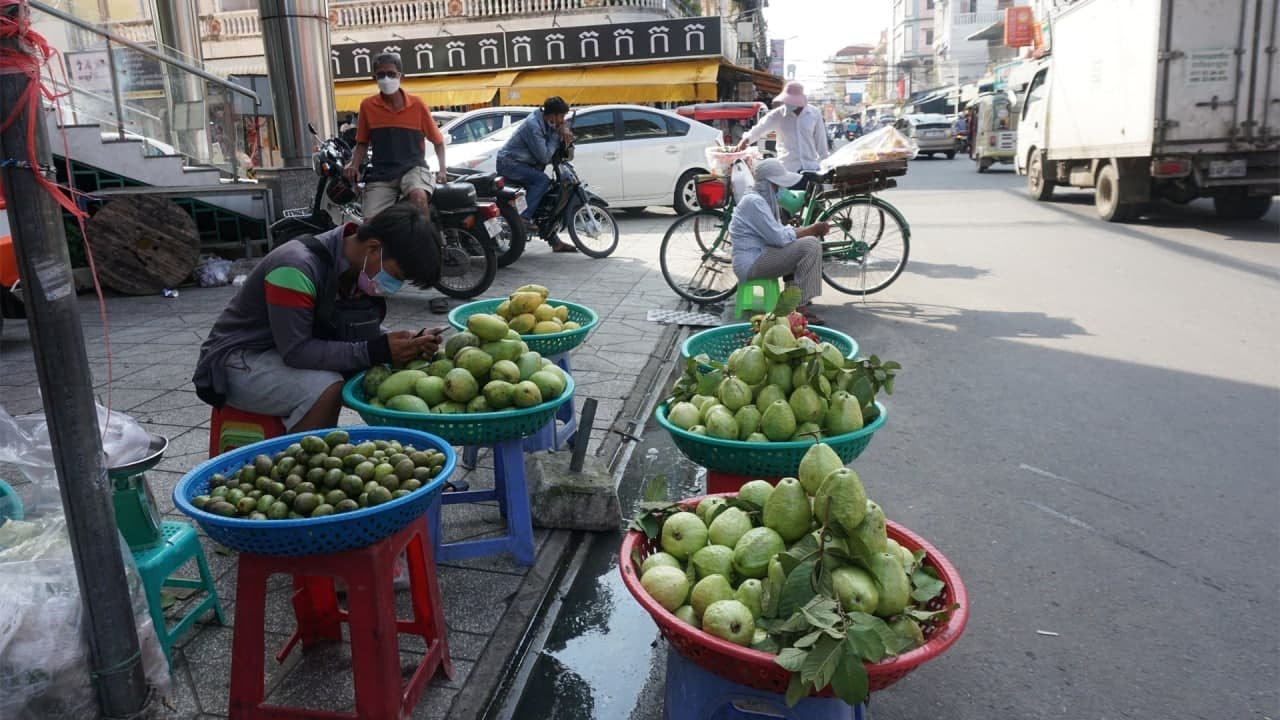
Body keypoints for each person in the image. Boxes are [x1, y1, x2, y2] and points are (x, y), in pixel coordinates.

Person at [193, 203, 444, 433]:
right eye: (397, 275)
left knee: (381, 370)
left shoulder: (356, 269)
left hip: (284, 351)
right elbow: (297, 350)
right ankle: (303, 471)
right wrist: (377, 350)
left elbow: (348, 331)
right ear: (373, 248)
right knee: (326, 388)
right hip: (237, 360)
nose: (396, 285)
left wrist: (403, 341)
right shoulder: (294, 267)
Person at [343, 53, 448, 219]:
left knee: (419, 198)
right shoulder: (368, 106)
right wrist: (354, 165)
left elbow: (438, 141)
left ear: (401, 77)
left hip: (413, 169)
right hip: (381, 173)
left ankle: (425, 241)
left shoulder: (417, 105)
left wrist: (443, 170)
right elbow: (362, 142)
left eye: (391, 74)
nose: (386, 79)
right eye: (381, 75)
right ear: (374, 78)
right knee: (370, 221)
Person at [730, 159, 831, 325]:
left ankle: (794, 306)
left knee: (803, 243)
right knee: (810, 245)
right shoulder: (754, 202)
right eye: (777, 185)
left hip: (760, 256)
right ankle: (800, 311)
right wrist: (812, 229)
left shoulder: (759, 200)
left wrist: (806, 230)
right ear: (768, 184)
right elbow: (779, 238)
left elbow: (781, 233)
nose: (780, 189)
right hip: (751, 264)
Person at [496, 96, 577, 252]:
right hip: (510, 164)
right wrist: (556, 134)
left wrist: (564, 132)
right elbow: (544, 156)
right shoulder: (534, 126)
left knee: (546, 196)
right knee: (542, 181)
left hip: (524, 164)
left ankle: (555, 241)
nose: (562, 120)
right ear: (552, 115)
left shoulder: (547, 122)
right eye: (561, 117)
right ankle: (523, 217)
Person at [734, 81, 829, 174]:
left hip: (811, 168)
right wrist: (745, 140)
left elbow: (821, 141)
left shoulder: (814, 114)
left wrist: (825, 165)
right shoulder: (777, 115)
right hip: (787, 169)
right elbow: (759, 129)